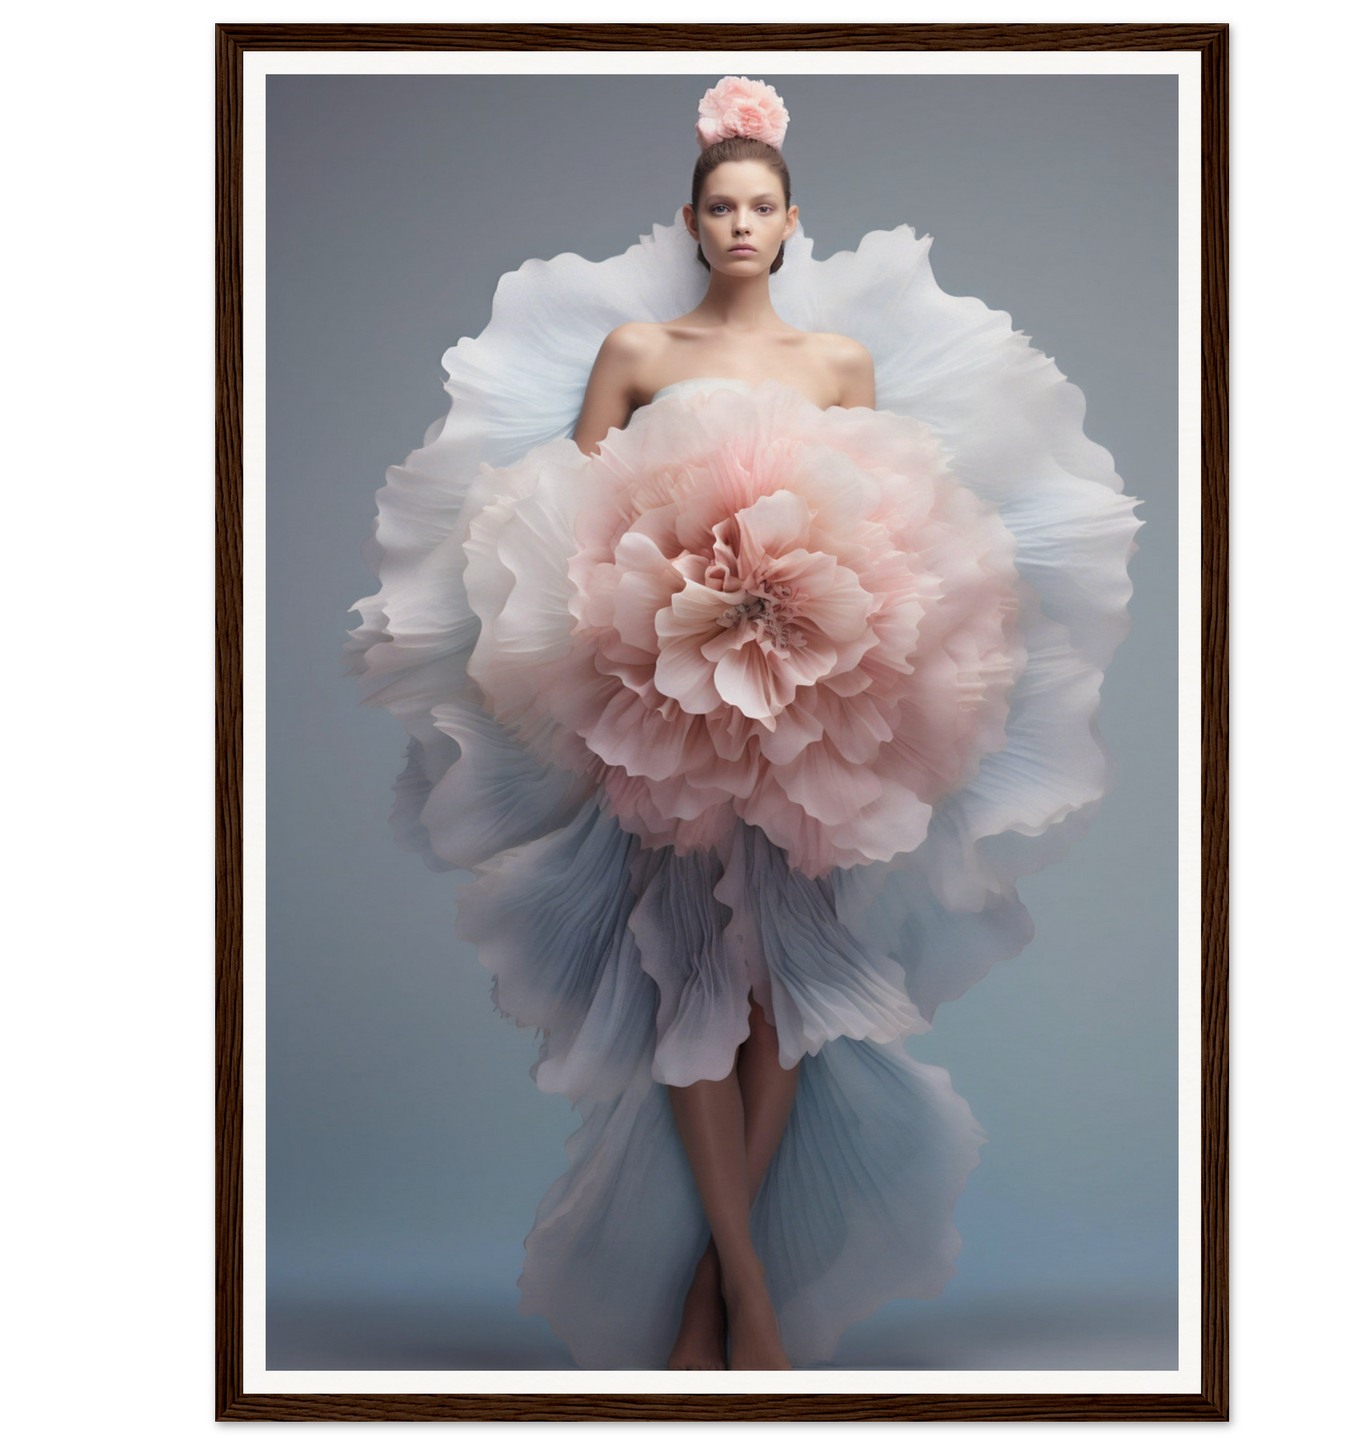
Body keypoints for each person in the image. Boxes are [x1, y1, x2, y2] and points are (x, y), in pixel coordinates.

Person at [344, 76, 1142, 1372]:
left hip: (813, 699)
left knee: (782, 987)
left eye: (759, 207)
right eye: (719, 207)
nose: (738, 226)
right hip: (660, 693)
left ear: (788, 222)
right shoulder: (640, 355)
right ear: (691, 217)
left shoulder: (837, 365)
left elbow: (895, 517)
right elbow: (558, 510)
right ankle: (746, 1298)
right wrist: (630, 627)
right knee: (687, 984)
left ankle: (729, 1288)